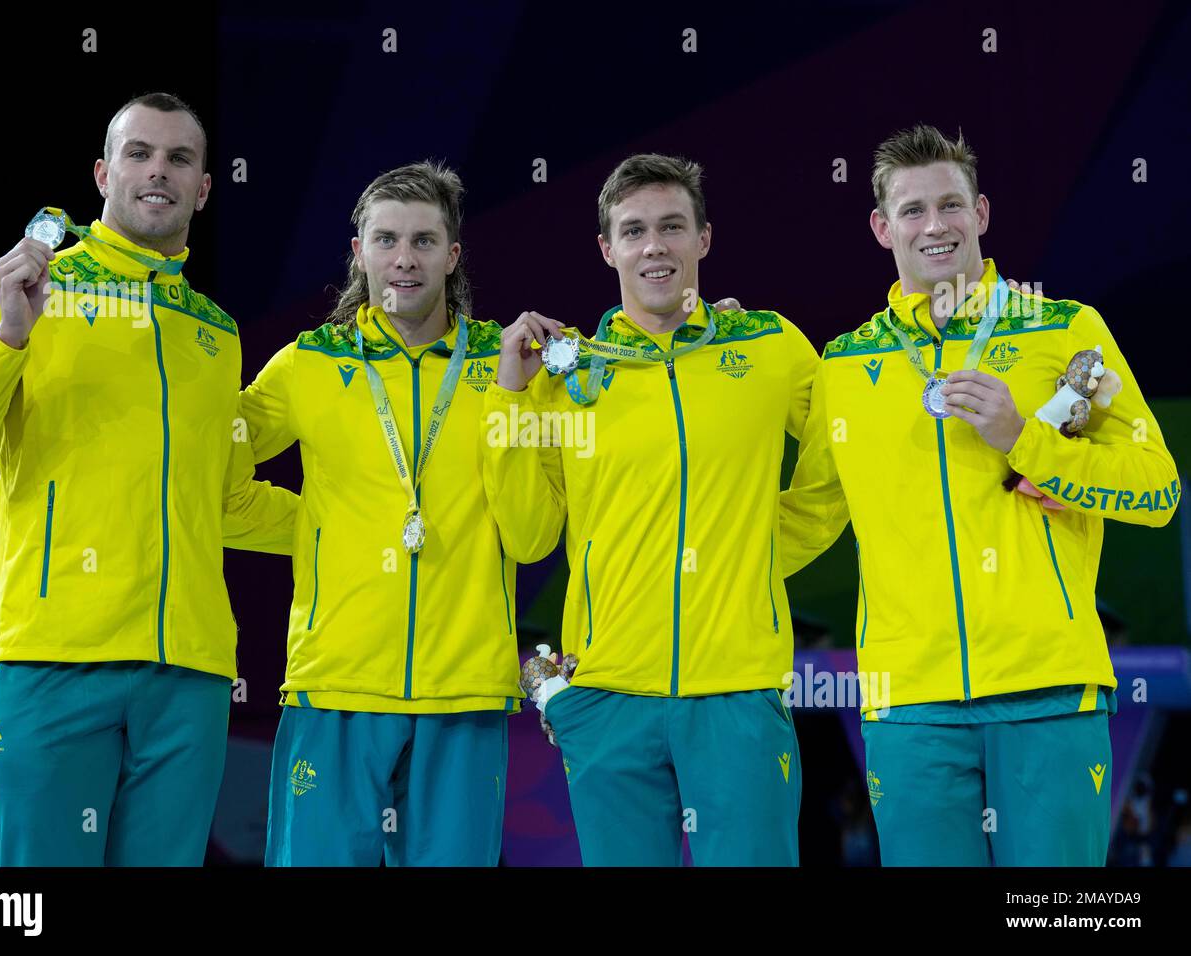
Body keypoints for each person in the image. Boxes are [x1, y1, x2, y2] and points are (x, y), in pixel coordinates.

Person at [0, 92, 297, 866]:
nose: (159, 170)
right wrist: (6, 339)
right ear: (102, 172)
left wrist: (356, 520)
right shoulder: (25, 289)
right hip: (55, 663)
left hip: (187, 678)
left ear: (205, 187)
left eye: (179, 158)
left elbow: (216, 502)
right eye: (140, 153)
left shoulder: (215, 334)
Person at [780, 123, 1180, 865]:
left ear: (982, 214)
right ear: (880, 226)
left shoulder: (1064, 331)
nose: (934, 226)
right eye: (912, 210)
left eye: (950, 205)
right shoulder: (844, 364)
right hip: (911, 706)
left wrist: (1024, 437)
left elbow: (1156, 490)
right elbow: (804, 521)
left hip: (1049, 689)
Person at [482, 153, 819, 865]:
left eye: (672, 226)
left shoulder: (769, 348)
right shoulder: (569, 376)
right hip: (606, 701)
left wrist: (758, 555)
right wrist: (510, 400)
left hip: (738, 692)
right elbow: (529, 534)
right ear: (608, 249)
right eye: (634, 231)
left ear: (704, 239)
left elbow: (841, 466)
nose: (654, 246)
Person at [242, 161, 540, 866]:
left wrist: (511, 399)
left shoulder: (501, 367)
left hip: (463, 694)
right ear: (358, 252)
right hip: (336, 686)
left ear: (453, 254)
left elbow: (534, 531)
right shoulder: (307, 366)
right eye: (385, 240)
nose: (404, 260)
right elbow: (204, 481)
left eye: (424, 241)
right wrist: (319, 528)